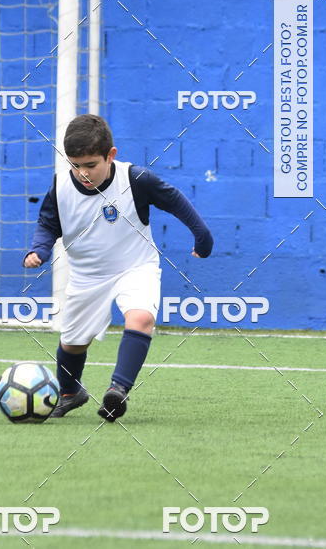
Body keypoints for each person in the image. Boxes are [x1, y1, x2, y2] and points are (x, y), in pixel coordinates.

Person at [24, 114, 213, 422]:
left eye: (90, 165)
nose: (82, 173)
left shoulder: (136, 179)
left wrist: (202, 235)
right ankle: (71, 392)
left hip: (136, 266)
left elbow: (175, 200)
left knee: (141, 318)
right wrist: (40, 249)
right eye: (75, 165)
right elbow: (48, 223)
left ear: (110, 156)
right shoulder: (60, 185)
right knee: (72, 343)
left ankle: (117, 391)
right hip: (87, 275)